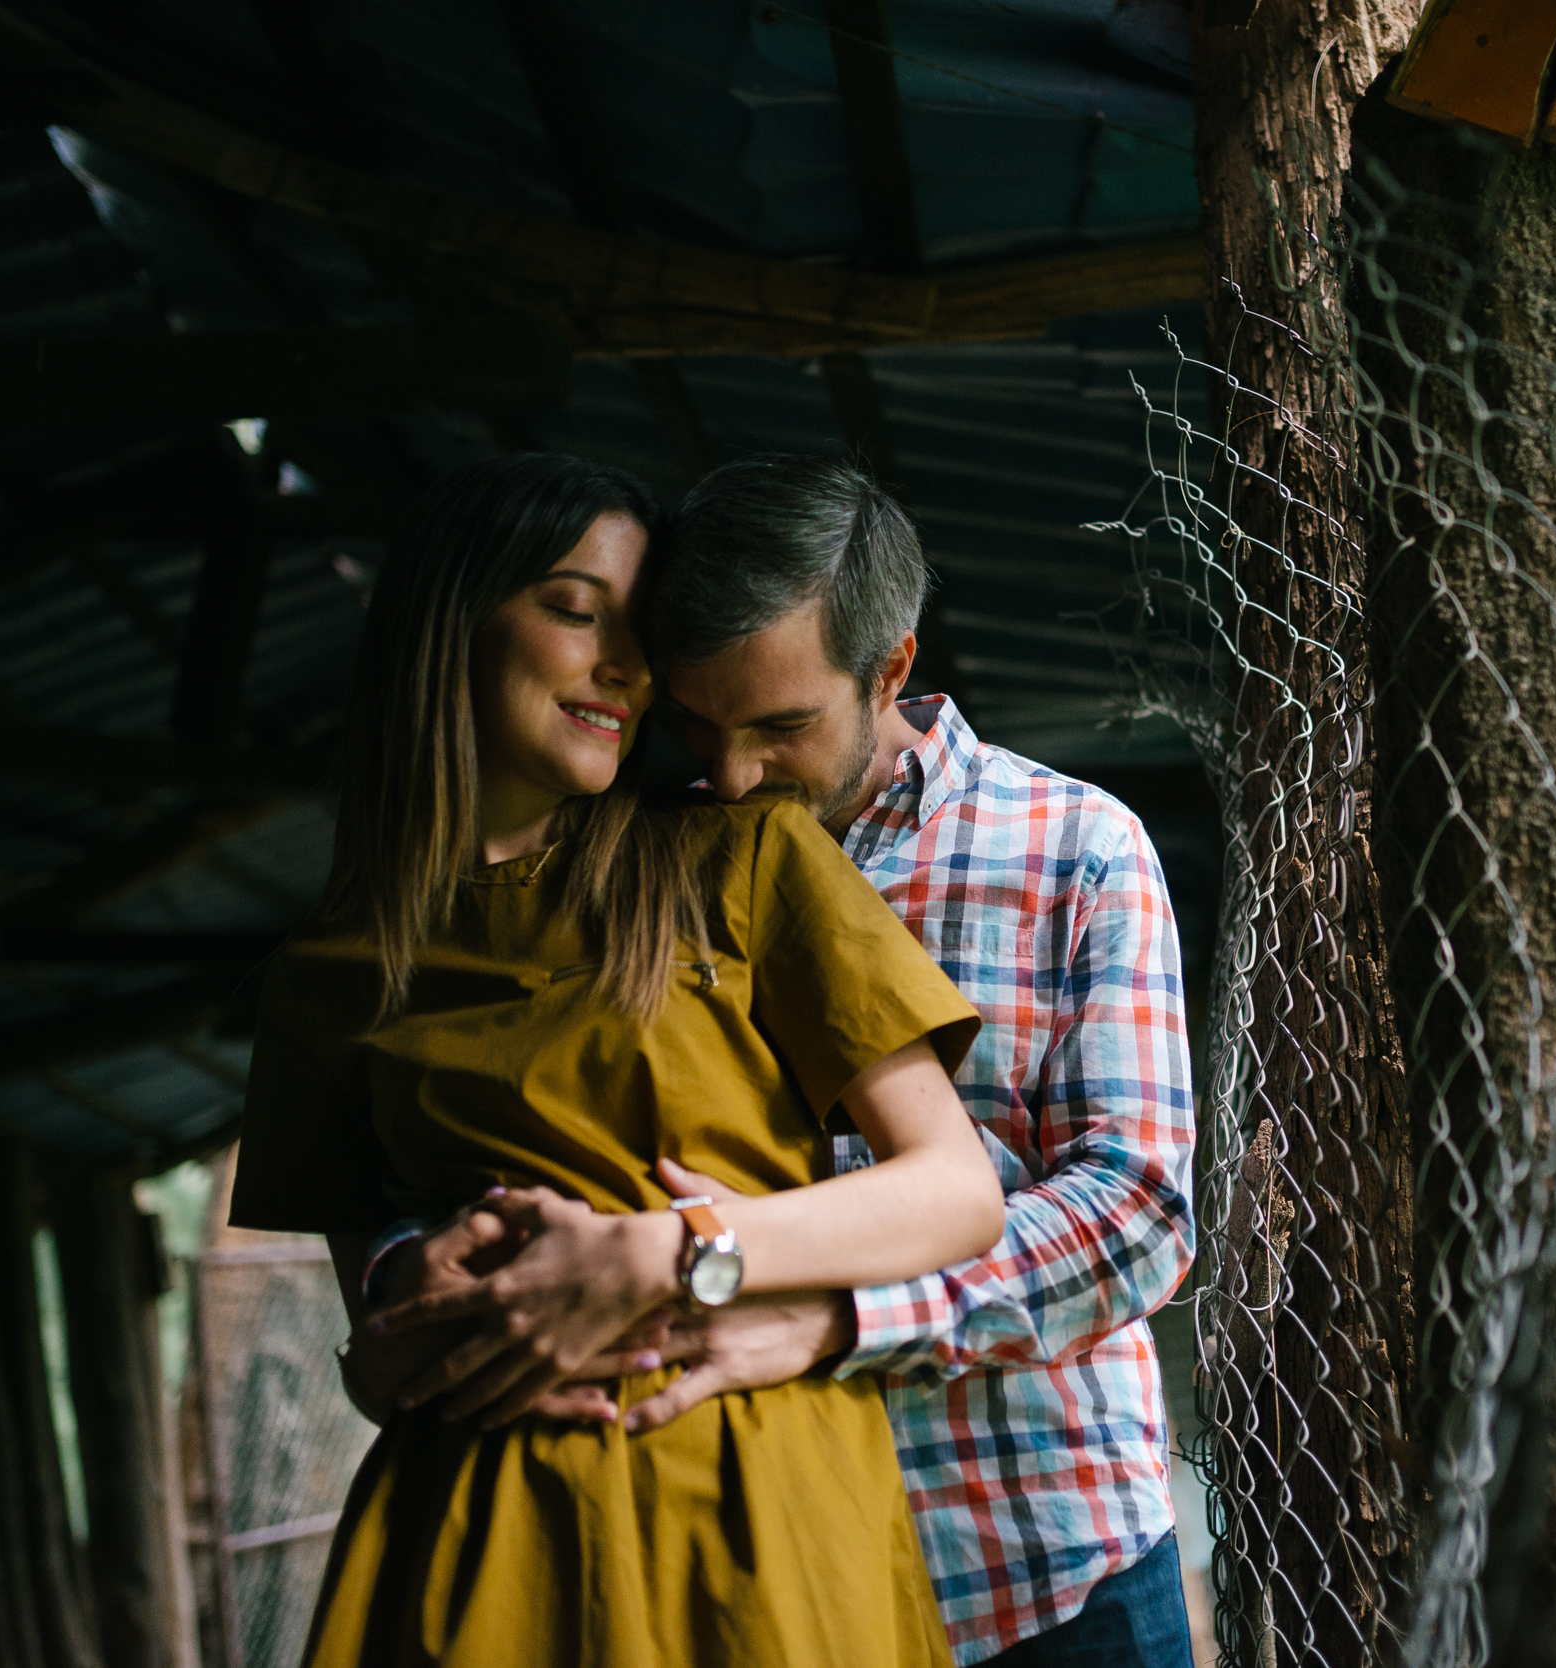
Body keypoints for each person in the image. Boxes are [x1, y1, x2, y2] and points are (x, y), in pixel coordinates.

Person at [369, 455, 1200, 1666]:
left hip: (1040, 1564)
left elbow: (1137, 1213)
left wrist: (837, 1313)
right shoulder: (639, 863)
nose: (735, 773)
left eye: (783, 726)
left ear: (894, 669)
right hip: (765, 1576)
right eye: (702, 724)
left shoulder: (1074, 846)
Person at [225, 452, 1006, 1667]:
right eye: (576, 613)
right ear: (450, 620)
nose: (626, 669)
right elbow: (374, 1332)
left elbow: (955, 1192)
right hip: (480, 1545)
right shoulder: (329, 974)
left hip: (753, 1516)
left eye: (637, 635)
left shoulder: (740, 862)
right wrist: (402, 1295)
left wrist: (675, 1249)